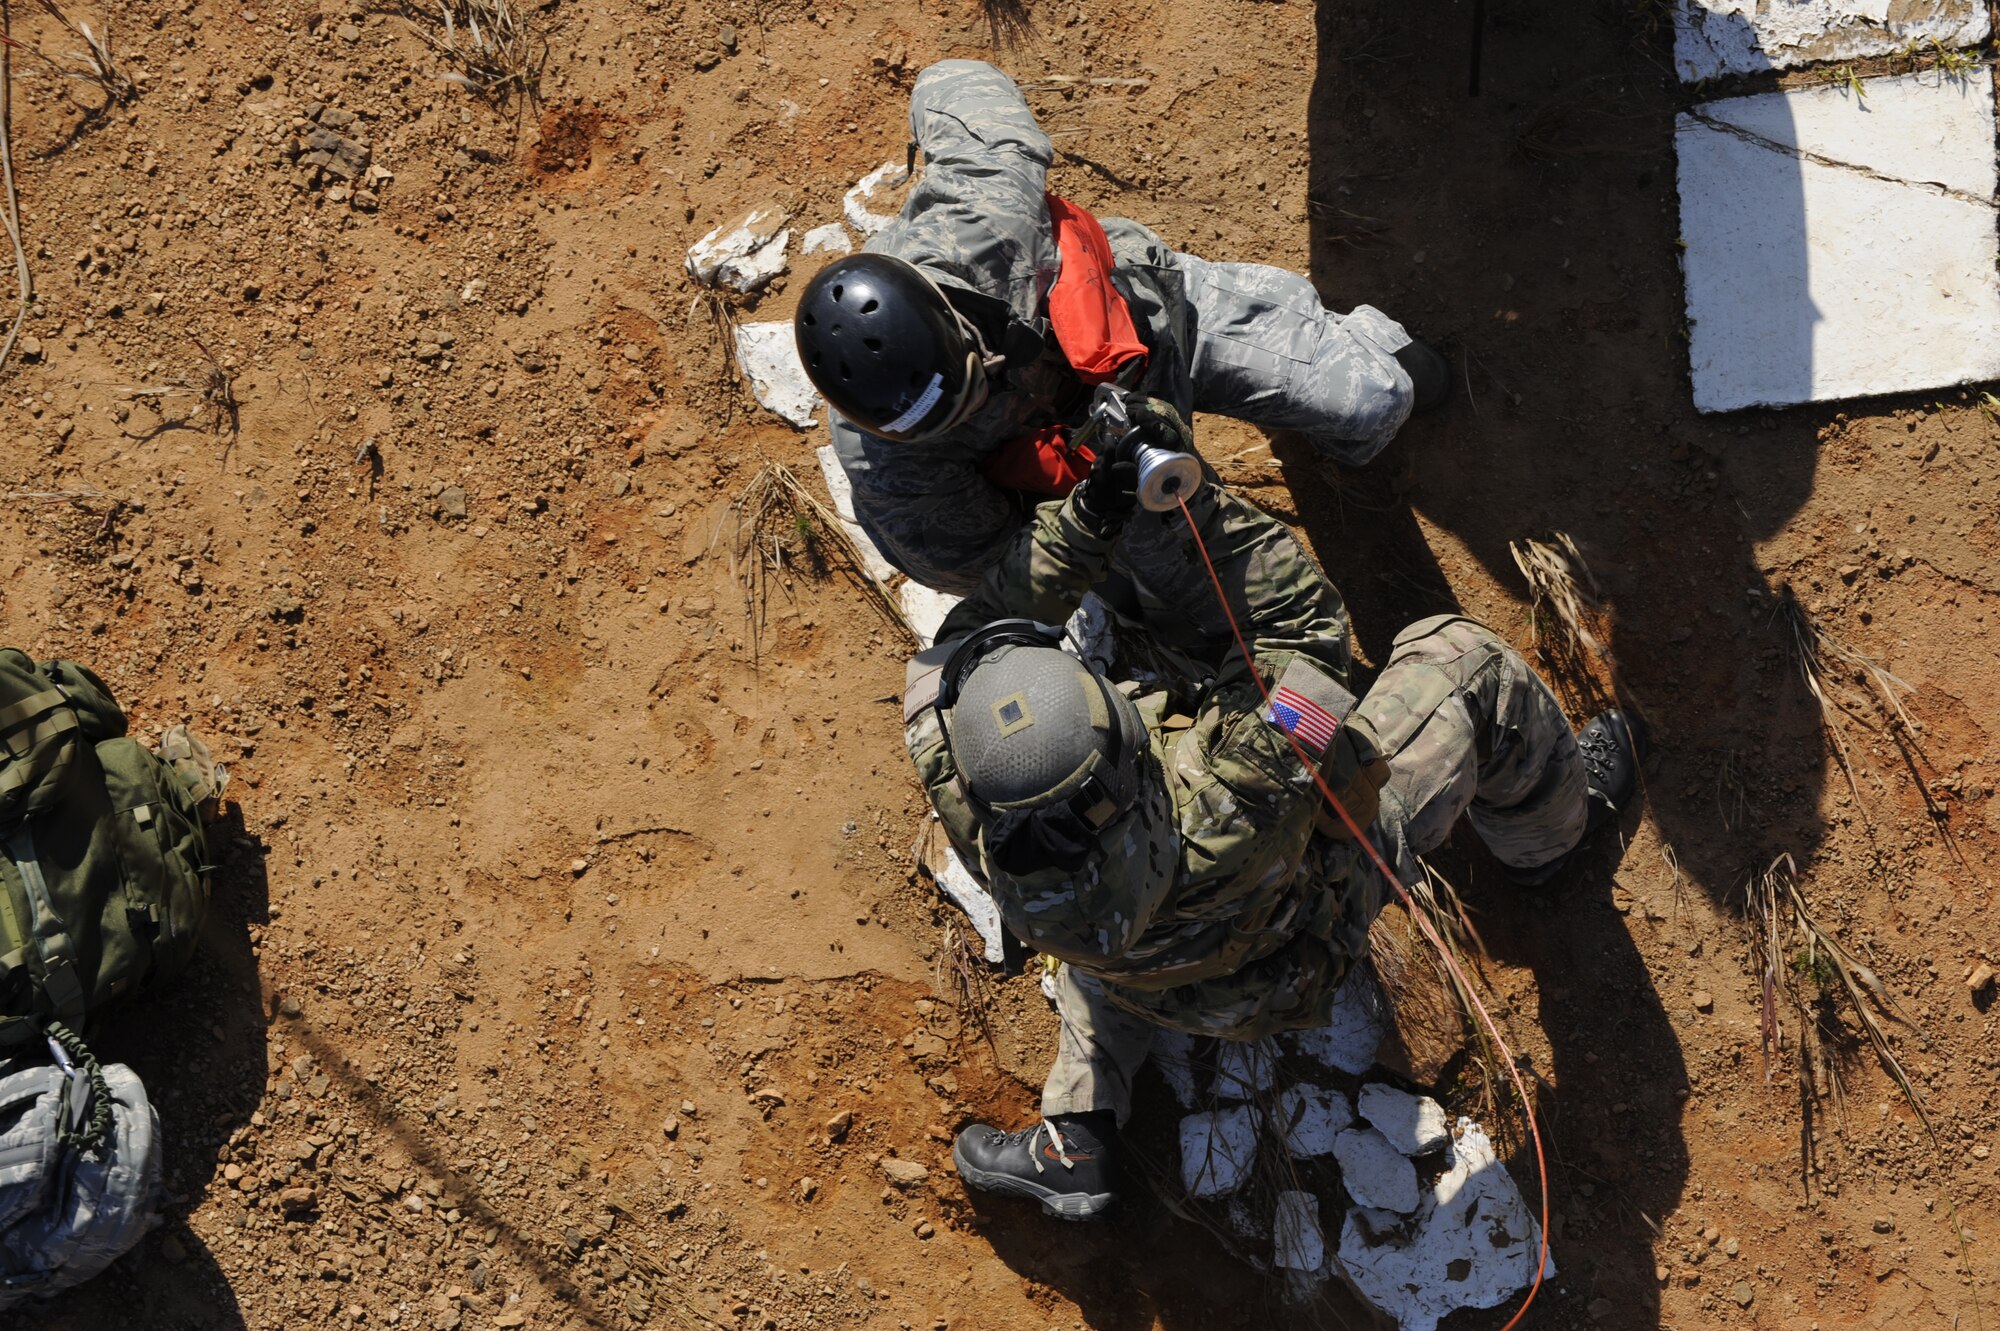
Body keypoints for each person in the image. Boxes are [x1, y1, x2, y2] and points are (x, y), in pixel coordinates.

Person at [901, 399, 1641, 1220]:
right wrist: (1186, 499)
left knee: (1105, 969)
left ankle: (1079, 1134)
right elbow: (1307, 630)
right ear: (1125, 749)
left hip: (1141, 974)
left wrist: (1089, 515)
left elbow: (979, 622)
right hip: (1286, 950)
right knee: (1467, 662)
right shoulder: (1238, 792)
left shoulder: (955, 775)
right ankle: (1549, 843)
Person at [795, 59, 1450, 595]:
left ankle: (1358, 361)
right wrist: (1092, 520)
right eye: (948, 419)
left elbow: (954, 83)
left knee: (1376, 399)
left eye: (971, 387)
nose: (972, 409)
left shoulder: (981, 214)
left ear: (957, 319)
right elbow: (993, 568)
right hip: (1094, 488)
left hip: (1164, 329)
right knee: (1204, 607)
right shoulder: (889, 468)